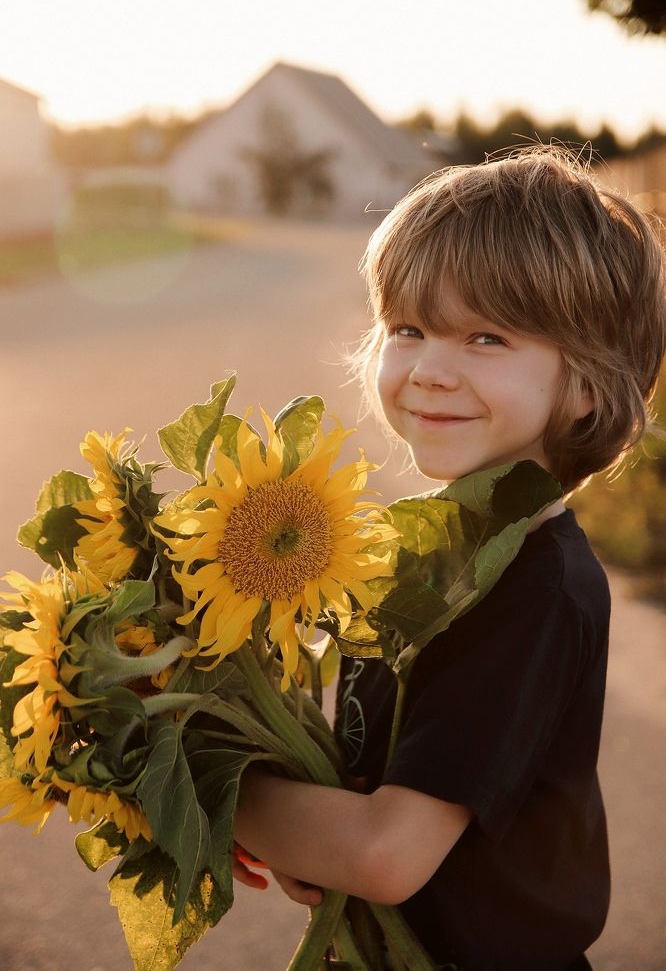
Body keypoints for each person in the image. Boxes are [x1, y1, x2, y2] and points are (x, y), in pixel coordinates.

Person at [233, 146, 666, 970]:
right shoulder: (429, 557)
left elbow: (386, 854)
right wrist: (311, 832)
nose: (430, 369)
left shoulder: (528, 587)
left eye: (486, 337)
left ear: (585, 384)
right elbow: (371, 798)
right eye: (408, 329)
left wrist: (215, 792)